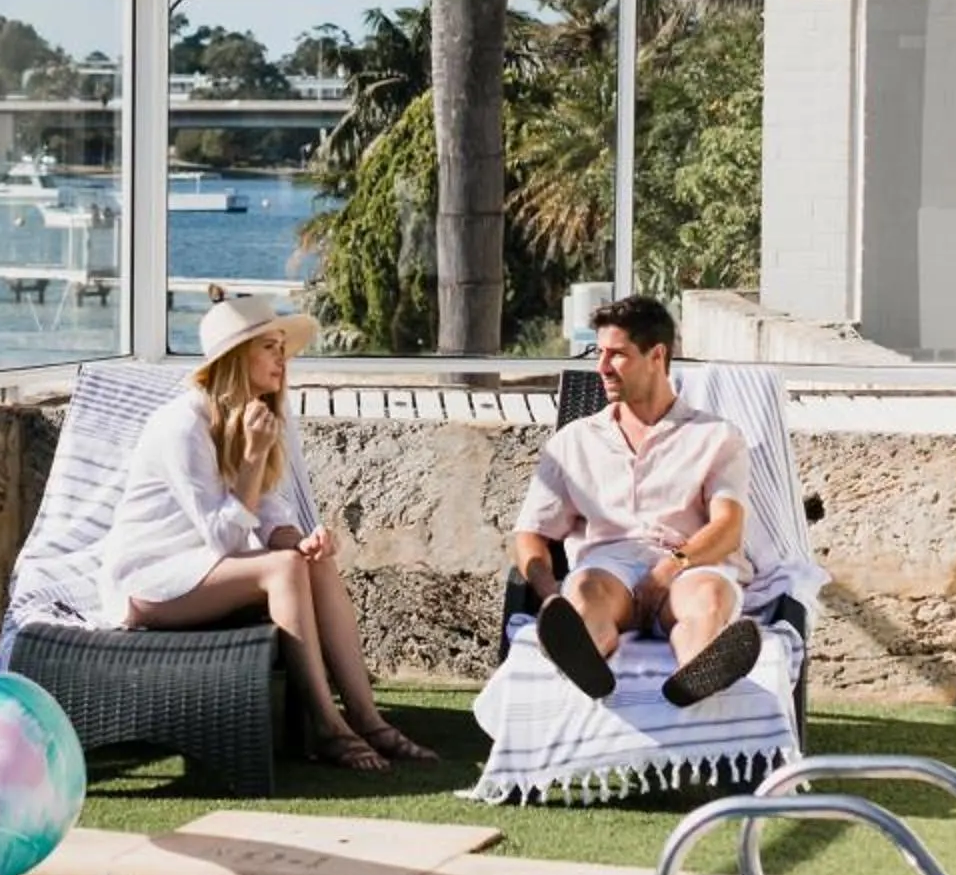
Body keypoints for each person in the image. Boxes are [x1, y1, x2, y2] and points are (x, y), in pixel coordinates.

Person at [100, 293, 435, 771]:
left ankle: (368, 719)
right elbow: (224, 538)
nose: (283, 359)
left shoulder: (253, 416)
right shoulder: (182, 426)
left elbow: (271, 514)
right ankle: (328, 727)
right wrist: (253, 458)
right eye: (270, 348)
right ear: (237, 357)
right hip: (152, 581)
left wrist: (303, 541)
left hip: (209, 570)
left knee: (312, 562)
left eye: (283, 348)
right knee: (282, 569)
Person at [510, 294, 762, 707]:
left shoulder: (716, 436)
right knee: (585, 594)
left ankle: (696, 673)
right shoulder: (575, 441)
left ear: (657, 356)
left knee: (708, 598)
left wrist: (669, 568)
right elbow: (530, 532)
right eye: (599, 353)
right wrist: (549, 592)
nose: (602, 367)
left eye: (617, 354)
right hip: (609, 568)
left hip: (688, 566)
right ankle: (584, 658)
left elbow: (728, 526)